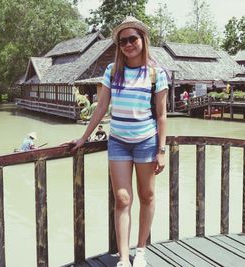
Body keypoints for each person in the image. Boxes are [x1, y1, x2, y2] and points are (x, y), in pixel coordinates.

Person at [69, 16, 168, 267]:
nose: (127, 44)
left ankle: (141, 249)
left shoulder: (157, 73)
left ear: (143, 40)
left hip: (146, 140)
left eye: (132, 38)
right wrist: (83, 137)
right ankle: (124, 257)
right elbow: (101, 107)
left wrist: (162, 150)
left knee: (146, 195)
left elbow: (161, 114)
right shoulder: (112, 71)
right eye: (122, 41)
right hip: (119, 141)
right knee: (122, 198)